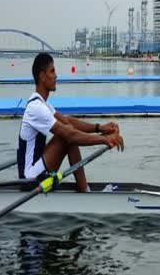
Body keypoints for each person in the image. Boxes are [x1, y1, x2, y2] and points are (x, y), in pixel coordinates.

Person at [17, 53, 124, 193]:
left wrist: (100, 128)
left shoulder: (42, 104)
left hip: (37, 170)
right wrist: (105, 139)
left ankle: (84, 190)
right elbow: (70, 134)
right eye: (52, 71)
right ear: (42, 76)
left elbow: (68, 121)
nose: (56, 76)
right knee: (67, 137)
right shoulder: (36, 108)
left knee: (68, 132)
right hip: (29, 180)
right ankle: (85, 191)